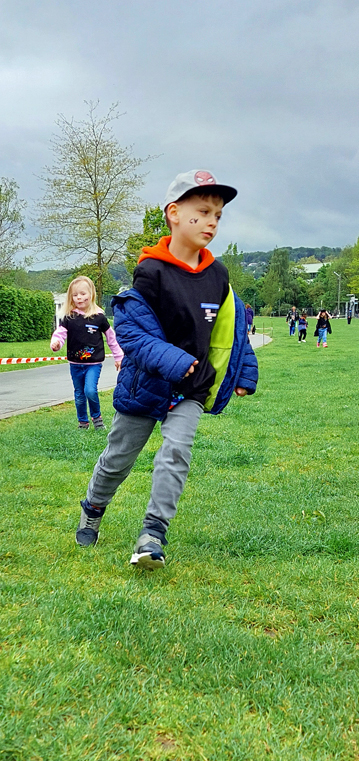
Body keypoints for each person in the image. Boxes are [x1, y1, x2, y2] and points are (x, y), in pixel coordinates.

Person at [75, 170, 258, 570]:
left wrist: (244, 371)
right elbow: (135, 335)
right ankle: (93, 508)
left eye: (219, 215)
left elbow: (233, 326)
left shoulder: (218, 275)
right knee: (117, 459)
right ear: (174, 213)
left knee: (175, 453)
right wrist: (179, 364)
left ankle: (153, 534)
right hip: (147, 385)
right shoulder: (151, 273)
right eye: (204, 211)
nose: (212, 221)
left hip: (192, 388)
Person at [50, 276, 123, 430]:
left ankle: (97, 418)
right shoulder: (69, 317)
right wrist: (56, 344)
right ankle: (82, 422)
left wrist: (119, 357)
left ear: (91, 295)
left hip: (93, 364)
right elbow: (60, 334)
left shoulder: (99, 317)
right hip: (75, 364)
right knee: (79, 395)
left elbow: (111, 338)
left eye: (83, 294)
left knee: (90, 390)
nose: (79, 298)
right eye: (75, 295)